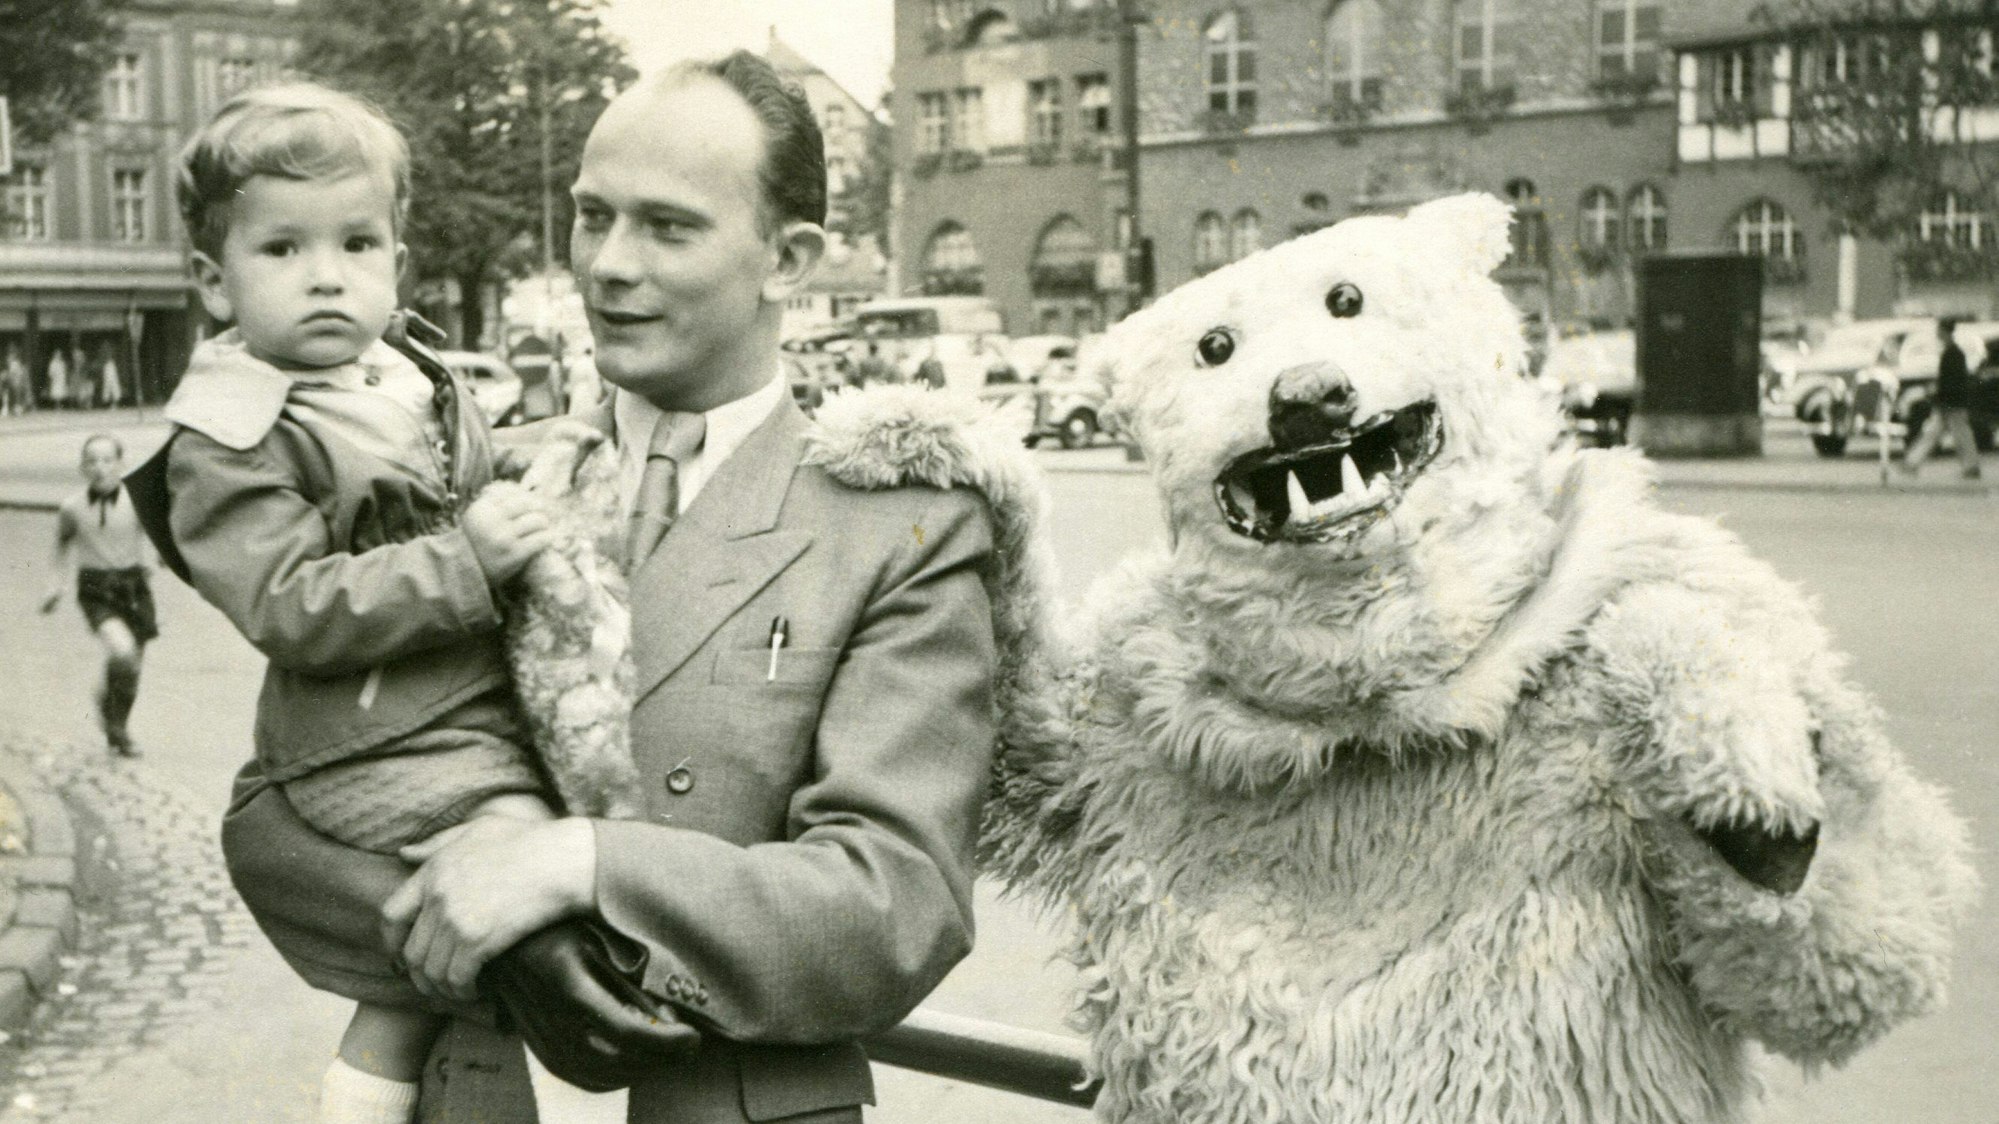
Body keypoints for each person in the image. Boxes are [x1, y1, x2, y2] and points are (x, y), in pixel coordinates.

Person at [213, 52, 1002, 1124]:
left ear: (791, 257)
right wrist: (514, 949)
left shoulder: (893, 519)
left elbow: (893, 904)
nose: (608, 266)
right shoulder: (476, 492)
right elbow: (277, 816)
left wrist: (574, 869)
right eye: (593, 217)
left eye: (668, 228)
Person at [128, 82, 569, 1124]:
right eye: (282, 250)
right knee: (523, 866)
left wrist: (535, 468)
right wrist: (465, 562)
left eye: (358, 244)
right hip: (373, 739)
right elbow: (286, 601)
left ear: (397, 261)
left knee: (435, 964)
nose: (327, 277)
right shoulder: (231, 432)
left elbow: (462, 475)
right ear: (214, 281)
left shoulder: (406, 372)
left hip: (455, 709)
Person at [41, 434, 157, 756]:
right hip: (95, 588)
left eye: (107, 460)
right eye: (91, 461)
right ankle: (113, 716)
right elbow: (61, 545)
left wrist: (162, 558)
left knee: (132, 667)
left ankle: (117, 726)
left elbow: (158, 535)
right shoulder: (72, 508)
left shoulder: (138, 501)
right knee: (122, 650)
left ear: (122, 464)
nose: (99, 468)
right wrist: (56, 584)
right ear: (82, 467)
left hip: (135, 587)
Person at [1903, 316, 1983, 479]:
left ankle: (1912, 463)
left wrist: (1937, 393)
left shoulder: (1951, 354)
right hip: (1952, 402)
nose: (1937, 333)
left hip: (1951, 402)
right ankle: (1912, 463)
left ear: (1945, 332)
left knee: (1945, 434)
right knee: (1949, 433)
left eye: (1939, 330)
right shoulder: (1954, 352)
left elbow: (1951, 381)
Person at [1, 346, 29, 415]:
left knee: (18, 389)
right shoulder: (6, 363)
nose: (11, 357)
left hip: (16, 382)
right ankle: (6, 407)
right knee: (5, 391)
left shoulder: (16, 363)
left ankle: (17, 408)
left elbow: (19, 373)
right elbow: (6, 374)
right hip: (8, 382)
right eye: (10, 354)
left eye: (13, 354)